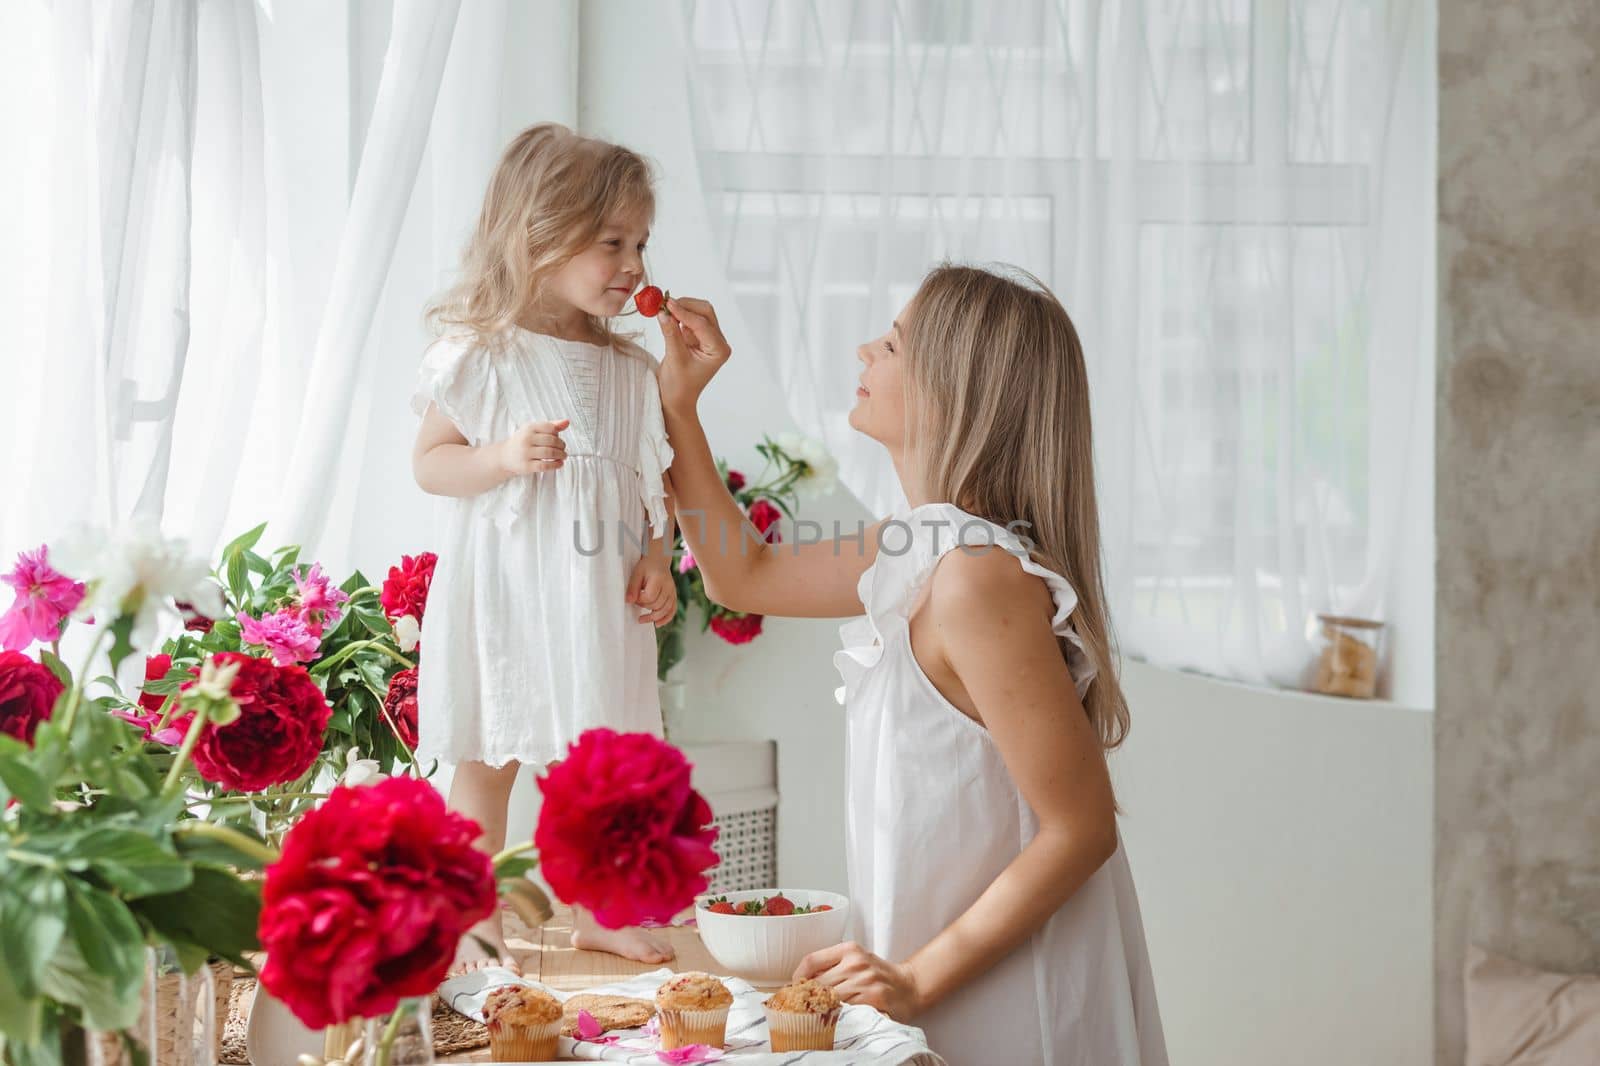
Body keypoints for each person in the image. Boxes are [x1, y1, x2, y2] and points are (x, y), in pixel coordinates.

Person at [653, 265, 1168, 1064]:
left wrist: (918, 980)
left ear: (950, 390)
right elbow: (740, 574)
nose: (864, 350)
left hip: (1010, 994)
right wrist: (680, 405)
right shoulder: (920, 547)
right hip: (943, 974)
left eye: (891, 343)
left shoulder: (974, 576)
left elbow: (1081, 829)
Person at [410, 123, 678, 971]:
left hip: (599, 598)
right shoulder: (486, 353)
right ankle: (473, 918)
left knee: (600, 768)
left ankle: (600, 909)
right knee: (491, 755)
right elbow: (431, 464)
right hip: (512, 590)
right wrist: (499, 456)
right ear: (539, 237)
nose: (633, 262)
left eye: (639, 242)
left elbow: (650, 480)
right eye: (612, 243)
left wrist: (659, 556)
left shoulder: (635, 370)